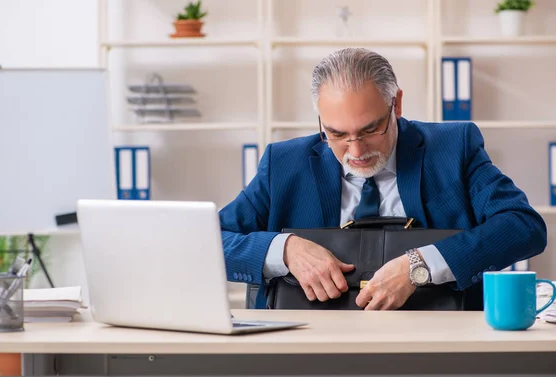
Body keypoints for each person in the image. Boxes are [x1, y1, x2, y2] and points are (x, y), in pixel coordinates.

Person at [219, 47, 547, 310]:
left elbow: (522, 225)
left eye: (370, 129)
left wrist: (422, 265)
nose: (356, 150)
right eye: (336, 134)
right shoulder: (284, 163)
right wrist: (285, 249)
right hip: (307, 353)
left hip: (437, 348)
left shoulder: (453, 147)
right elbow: (210, 239)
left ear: (397, 104)